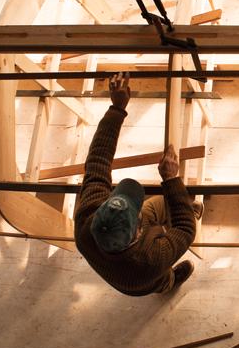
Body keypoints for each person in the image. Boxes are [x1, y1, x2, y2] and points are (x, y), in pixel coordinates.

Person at [74, 72, 198, 296]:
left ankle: (184, 208)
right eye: (137, 215)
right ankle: (168, 283)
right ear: (138, 232)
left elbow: (98, 161)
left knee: (165, 203)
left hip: (130, 251)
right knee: (159, 278)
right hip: (141, 281)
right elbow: (186, 230)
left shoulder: (87, 219)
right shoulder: (149, 261)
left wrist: (117, 109)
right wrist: (171, 179)